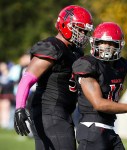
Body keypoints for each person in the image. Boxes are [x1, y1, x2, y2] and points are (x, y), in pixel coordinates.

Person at [14, 5, 93, 150]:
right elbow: (27, 79)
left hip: (60, 112)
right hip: (50, 111)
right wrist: (19, 107)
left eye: (85, 31)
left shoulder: (75, 51)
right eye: (80, 29)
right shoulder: (52, 47)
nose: (83, 34)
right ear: (65, 25)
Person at [72, 22, 127, 150]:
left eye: (111, 43)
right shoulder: (88, 65)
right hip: (92, 128)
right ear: (95, 43)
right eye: (102, 42)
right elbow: (99, 104)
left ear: (119, 45)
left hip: (109, 129)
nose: (106, 47)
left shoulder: (121, 66)